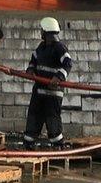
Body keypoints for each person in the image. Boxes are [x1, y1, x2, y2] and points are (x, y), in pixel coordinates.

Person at [19, 17, 73, 149]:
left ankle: (57, 145)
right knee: (34, 116)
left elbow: (68, 63)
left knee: (52, 118)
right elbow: (33, 60)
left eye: (42, 30)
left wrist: (58, 77)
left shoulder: (59, 48)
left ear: (46, 32)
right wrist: (31, 69)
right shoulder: (41, 47)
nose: (40, 33)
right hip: (39, 90)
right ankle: (29, 143)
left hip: (53, 92)